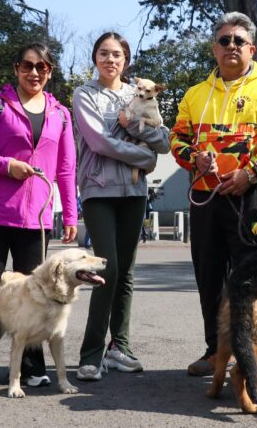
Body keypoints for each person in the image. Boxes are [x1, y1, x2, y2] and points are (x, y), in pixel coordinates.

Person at [170, 12, 257, 378]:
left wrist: (250, 173)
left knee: (251, 279)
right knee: (208, 277)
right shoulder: (195, 94)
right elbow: (177, 139)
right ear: (214, 48)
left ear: (251, 48)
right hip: (207, 199)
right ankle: (216, 350)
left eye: (239, 41)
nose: (231, 47)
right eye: (224, 40)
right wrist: (195, 157)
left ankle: (255, 354)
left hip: (251, 198)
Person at [0, 42, 78, 394]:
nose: (34, 72)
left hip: (36, 218)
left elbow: (66, 168)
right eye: (28, 65)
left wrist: (69, 212)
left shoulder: (61, 114)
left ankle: (31, 367)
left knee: (38, 294)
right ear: (16, 69)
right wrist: (5, 165)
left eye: (42, 67)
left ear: (50, 71)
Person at [74, 32, 170, 381]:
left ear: (125, 60)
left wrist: (142, 136)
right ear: (95, 58)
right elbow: (99, 141)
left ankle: (121, 347)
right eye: (103, 53)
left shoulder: (139, 91)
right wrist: (144, 155)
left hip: (133, 192)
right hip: (98, 189)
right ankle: (91, 353)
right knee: (108, 266)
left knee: (126, 270)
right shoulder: (84, 94)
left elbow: (164, 139)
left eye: (117, 54)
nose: (110, 60)